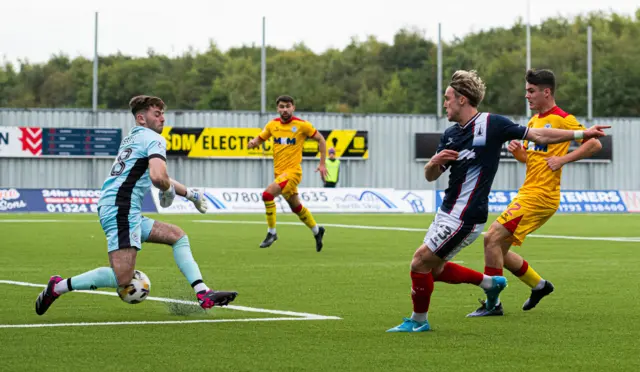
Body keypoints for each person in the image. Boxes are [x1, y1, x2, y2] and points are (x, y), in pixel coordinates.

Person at [386, 70, 608, 332]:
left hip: (478, 211)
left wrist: (580, 136)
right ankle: (513, 284)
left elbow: (545, 137)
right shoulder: (450, 134)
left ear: (462, 99)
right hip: (448, 209)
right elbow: (431, 176)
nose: (444, 103)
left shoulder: (494, 124)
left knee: (428, 260)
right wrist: (433, 163)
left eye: (447, 98)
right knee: (438, 268)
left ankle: (429, 319)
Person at [35, 95, 238, 315]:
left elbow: (159, 177)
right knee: (123, 279)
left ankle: (202, 292)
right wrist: (166, 189)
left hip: (122, 208)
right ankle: (57, 286)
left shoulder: (133, 137)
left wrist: (190, 194)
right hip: (121, 209)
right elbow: (158, 177)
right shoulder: (153, 138)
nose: (162, 119)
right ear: (141, 118)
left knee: (178, 236)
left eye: (163, 114)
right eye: (157, 114)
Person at [468, 69, 603, 317]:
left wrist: (563, 159)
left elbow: (594, 143)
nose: (527, 96)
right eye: (526, 91)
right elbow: (533, 159)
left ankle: (493, 305)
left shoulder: (563, 119)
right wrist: (521, 154)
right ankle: (539, 285)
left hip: (541, 196)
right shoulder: (533, 122)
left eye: (531, 91)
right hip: (528, 191)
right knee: (498, 249)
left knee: (491, 239)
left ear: (546, 92)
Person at [247, 95, 328, 252]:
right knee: (296, 207)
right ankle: (317, 231)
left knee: (267, 195)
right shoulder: (272, 125)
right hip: (279, 174)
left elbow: (321, 140)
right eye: (282, 107)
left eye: (287, 106)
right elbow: (260, 138)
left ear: (293, 107)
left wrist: (322, 163)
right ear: (277, 109)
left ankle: (272, 233)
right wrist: (253, 143)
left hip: (293, 172)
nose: (284, 110)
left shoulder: (302, 125)